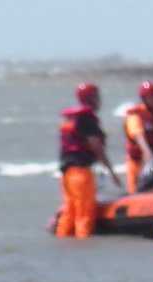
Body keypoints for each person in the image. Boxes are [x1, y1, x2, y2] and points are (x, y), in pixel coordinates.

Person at [54, 82, 121, 239]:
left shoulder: (70, 118)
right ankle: (84, 248)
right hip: (81, 173)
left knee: (69, 214)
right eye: (97, 97)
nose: (100, 101)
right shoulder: (87, 118)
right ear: (92, 99)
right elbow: (96, 146)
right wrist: (111, 172)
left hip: (66, 173)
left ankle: (63, 243)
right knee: (84, 214)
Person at [122, 80, 153, 193]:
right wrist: (148, 155)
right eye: (152, 96)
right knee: (136, 191)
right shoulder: (135, 116)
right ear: (144, 98)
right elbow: (138, 136)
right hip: (139, 162)